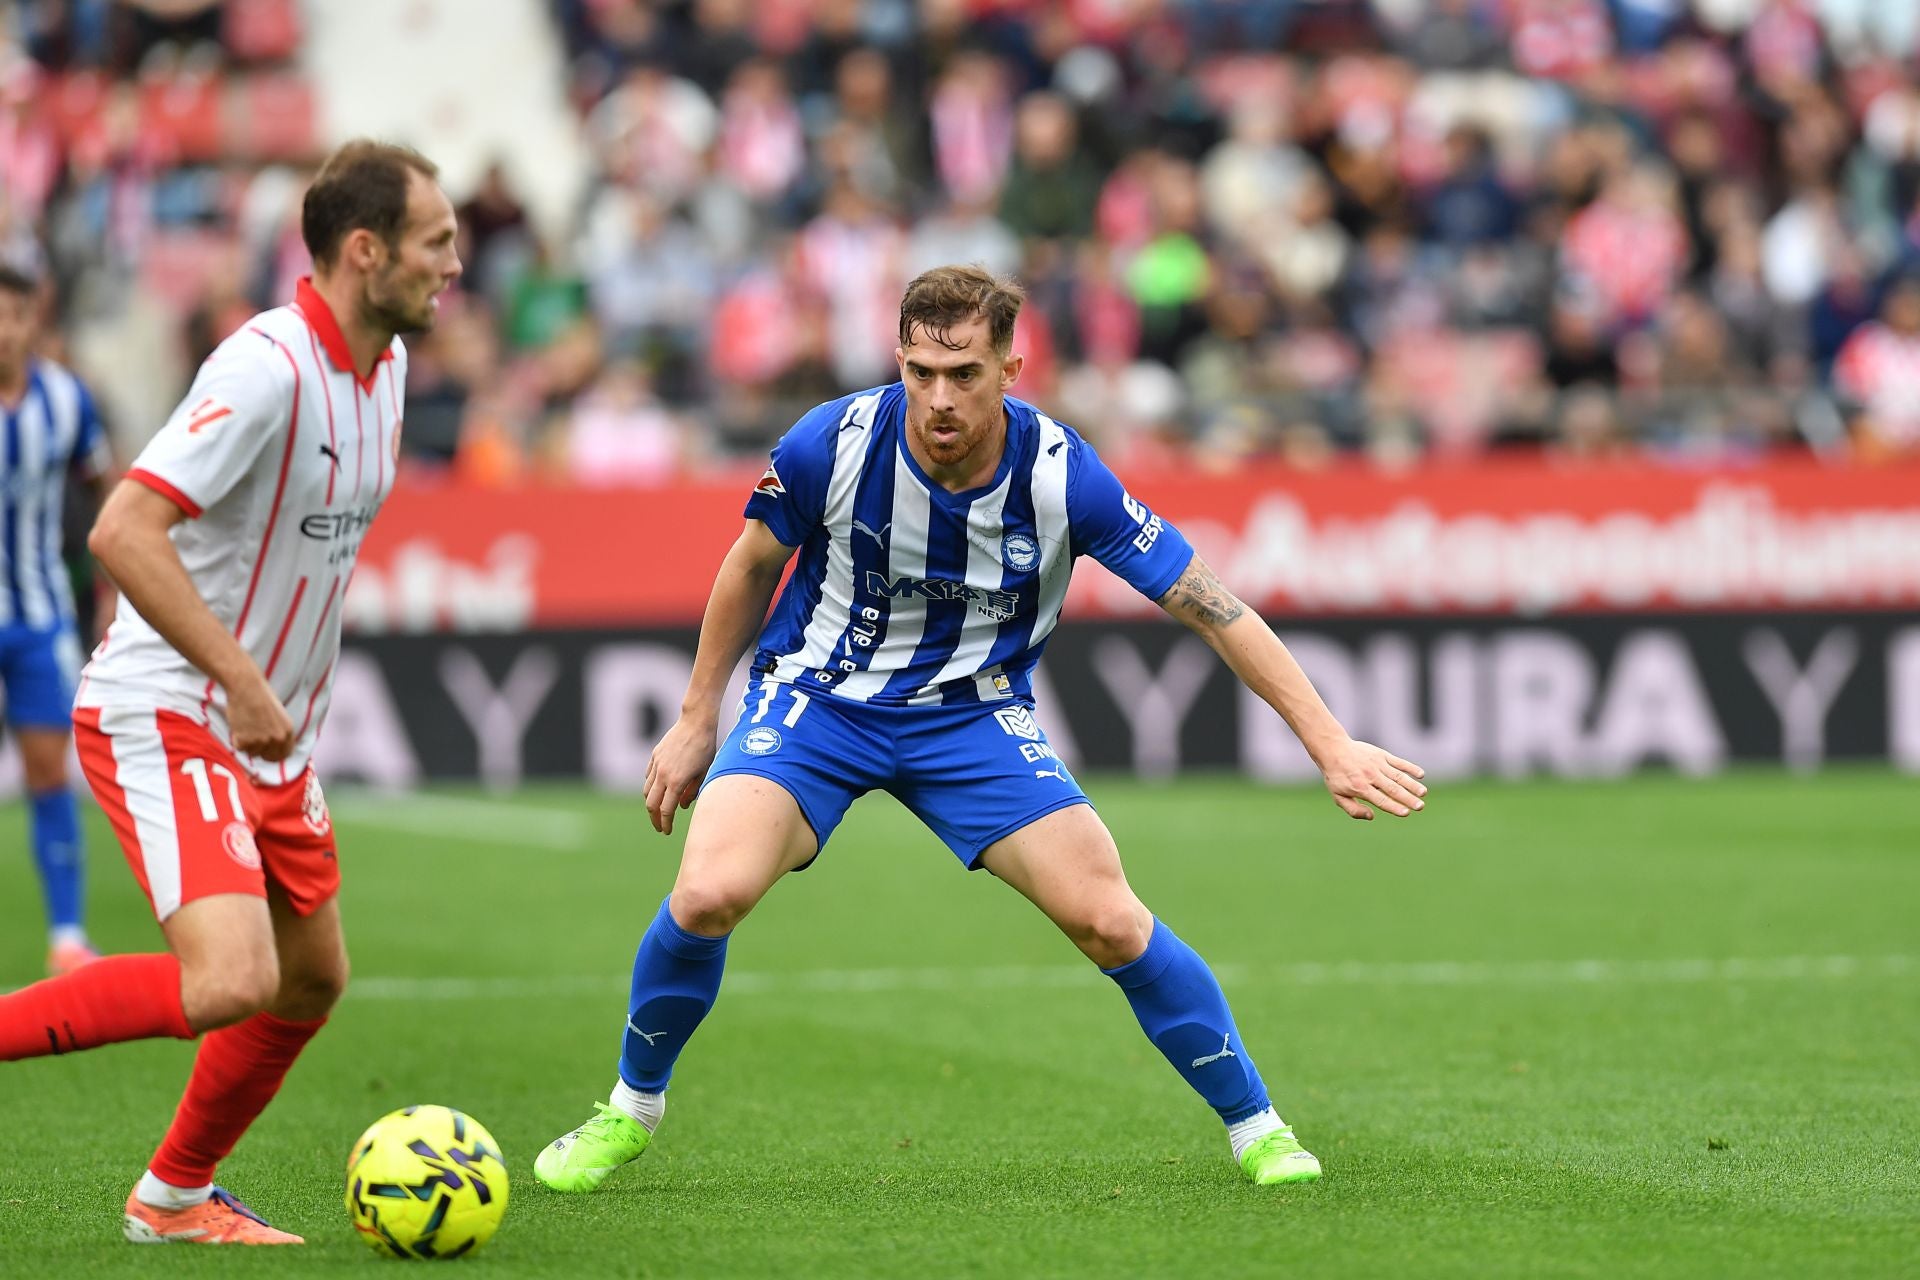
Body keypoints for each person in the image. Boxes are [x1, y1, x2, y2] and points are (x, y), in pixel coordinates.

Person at [535, 265, 1427, 1194]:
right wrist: (695, 717)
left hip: (973, 718)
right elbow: (751, 565)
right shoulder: (830, 443)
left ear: (1011, 366)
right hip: (818, 702)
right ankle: (630, 1111)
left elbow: (1212, 606)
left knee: (1109, 919)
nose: (938, 398)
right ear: (899, 361)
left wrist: (1330, 741)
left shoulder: (1062, 475)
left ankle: (1259, 1128)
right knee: (708, 893)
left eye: (963, 374)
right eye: (920, 372)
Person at [0, 140, 461, 1246]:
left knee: (309, 979)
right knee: (230, 978)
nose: (456, 263)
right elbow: (122, 530)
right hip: (173, 707)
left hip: (267, 732)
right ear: (366, 251)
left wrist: (273, 694)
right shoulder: (264, 366)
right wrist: (243, 676)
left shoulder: (388, 368)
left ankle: (171, 1197)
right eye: (437, 241)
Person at [0, 264, 112, 976]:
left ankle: (67, 934)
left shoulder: (68, 400)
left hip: (40, 615)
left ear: (33, 320)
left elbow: (101, 488)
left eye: (14, 315)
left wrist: (100, 590)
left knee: (49, 770)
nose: (4, 329)